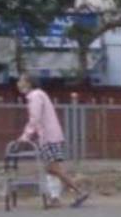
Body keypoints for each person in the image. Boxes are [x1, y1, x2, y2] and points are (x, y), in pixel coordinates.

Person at [15, 73, 89, 208]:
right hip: (50, 135)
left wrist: (25, 136)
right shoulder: (38, 95)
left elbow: (35, 118)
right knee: (52, 169)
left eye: (21, 80)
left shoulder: (35, 96)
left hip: (49, 136)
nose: (18, 83)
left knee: (53, 168)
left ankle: (79, 191)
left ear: (29, 83)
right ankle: (56, 198)